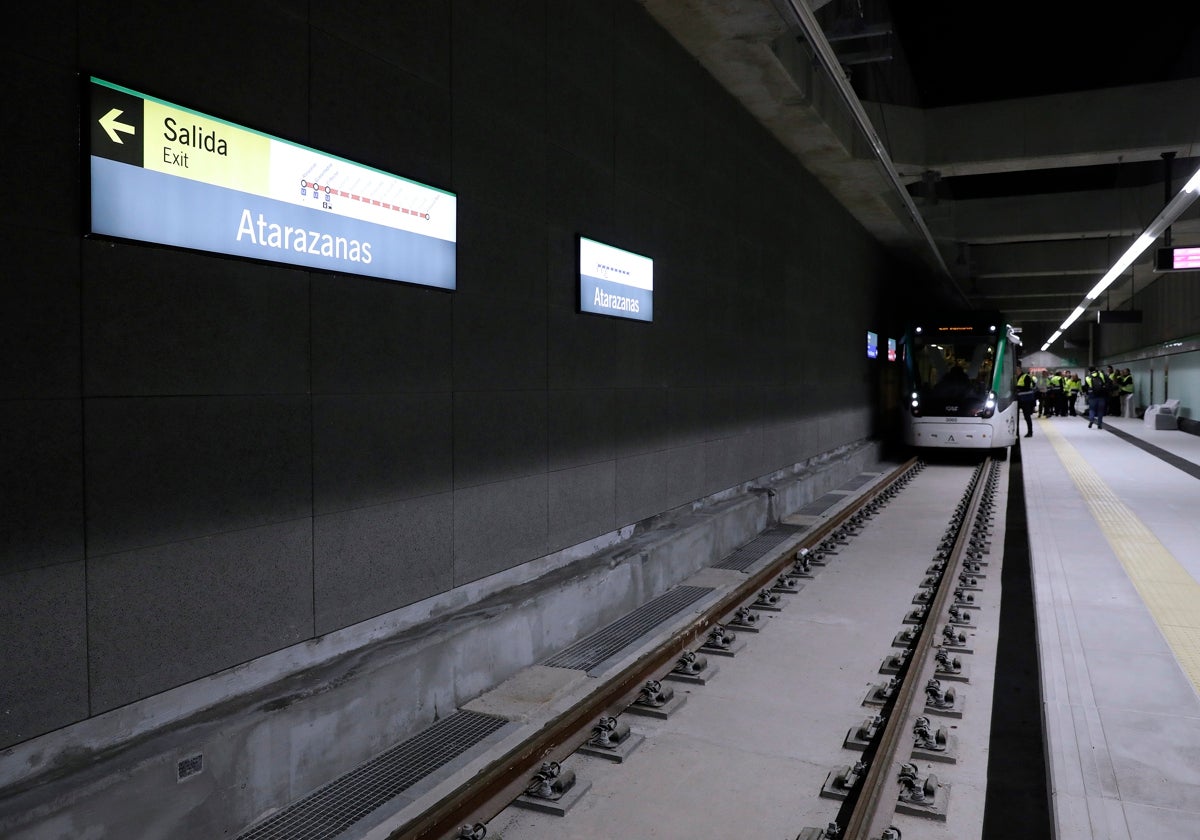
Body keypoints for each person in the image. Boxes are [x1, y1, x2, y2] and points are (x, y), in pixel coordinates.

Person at [1015, 366, 1037, 437]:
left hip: (1026, 400)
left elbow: (1028, 387)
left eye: (1016, 370)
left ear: (1019, 370)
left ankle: (1030, 432)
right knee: (1016, 417)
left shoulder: (1026, 376)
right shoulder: (1015, 377)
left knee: (1027, 416)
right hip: (1018, 400)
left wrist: (1018, 388)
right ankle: (1016, 432)